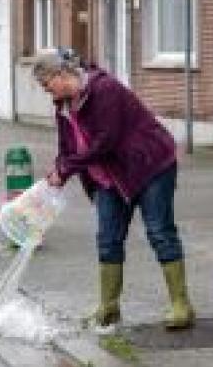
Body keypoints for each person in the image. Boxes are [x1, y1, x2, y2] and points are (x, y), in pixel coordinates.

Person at [33, 47, 195, 332]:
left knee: (159, 231)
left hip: (149, 167)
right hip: (109, 177)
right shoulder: (63, 107)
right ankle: (108, 308)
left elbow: (105, 141)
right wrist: (58, 171)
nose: (45, 90)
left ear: (60, 74)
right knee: (108, 238)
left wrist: (67, 169)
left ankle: (181, 305)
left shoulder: (104, 90)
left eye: (46, 84)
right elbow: (66, 148)